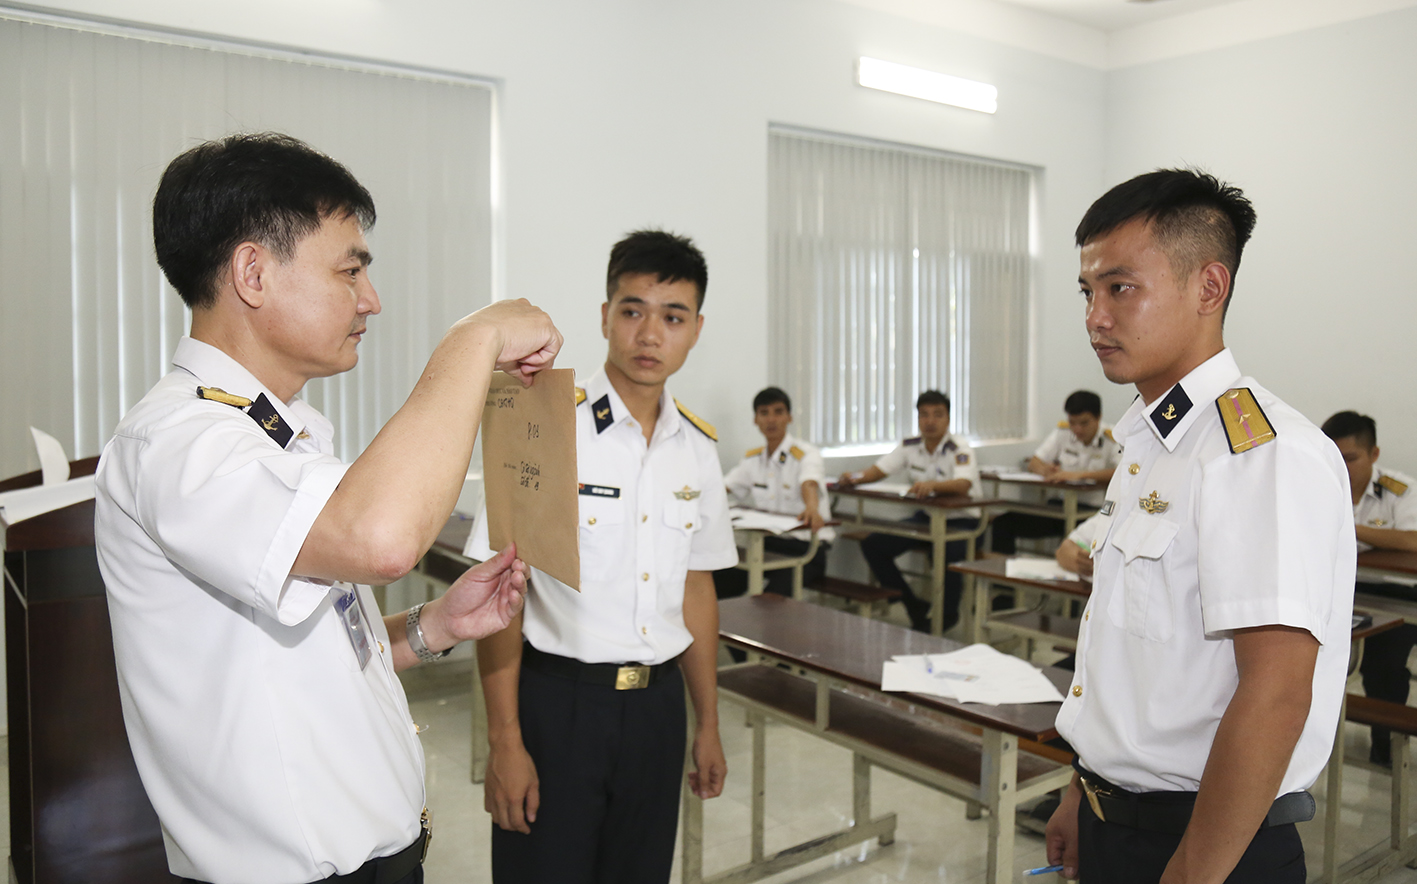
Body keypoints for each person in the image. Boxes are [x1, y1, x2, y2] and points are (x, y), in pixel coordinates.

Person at [93, 133, 563, 884]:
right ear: (253, 273)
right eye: (350, 271)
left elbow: (305, 652)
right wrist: (473, 342)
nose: (370, 299)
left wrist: (434, 627)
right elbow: (383, 542)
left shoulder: (283, 430)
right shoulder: (177, 442)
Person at [1044, 169, 1354, 883]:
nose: (1095, 317)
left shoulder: (1260, 453)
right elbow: (1125, 661)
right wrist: (1082, 794)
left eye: (1120, 288)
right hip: (1116, 824)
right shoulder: (1150, 444)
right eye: (1087, 292)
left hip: (1209, 848)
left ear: (1208, 287)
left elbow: (1275, 693)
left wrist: (1193, 873)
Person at [469, 230, 737, 884]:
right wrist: (504, 739)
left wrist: (707, 721)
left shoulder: (697, 449)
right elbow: (500, 592)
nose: (650, 334)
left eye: (673, 317)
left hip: (657, 711)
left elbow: (696, 588)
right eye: (632, 310)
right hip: (560, 707)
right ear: (604, 316)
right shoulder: (542, 426)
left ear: (696, 330)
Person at [835, 390, 979, 632]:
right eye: (924, 415)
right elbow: (879, 470)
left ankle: (948, 615)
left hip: (962, 522)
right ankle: (913, 605)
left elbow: (963, 484)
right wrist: (855, 477)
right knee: (874, 544)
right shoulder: (910, 446)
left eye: (937, 415)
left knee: (948, 553)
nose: (930, 421)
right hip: (927, 518)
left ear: (948, 419)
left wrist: (933, 486)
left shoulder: (959, 448)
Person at [1321, 410, 1417, 765]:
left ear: (1373, 454)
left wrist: (1347, 526)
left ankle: (1386, 746)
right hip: (1339, 589)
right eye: (1334, 456)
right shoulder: (1318, 482)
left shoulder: (1398, 489)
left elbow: (1412, 540)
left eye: (1350, 458)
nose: (1342, 467)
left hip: (1396, 595)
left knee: (1384, 667)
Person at [713, 386, 832, 599]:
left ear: (789, 417)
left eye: (778, 412)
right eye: (764, 413)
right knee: (717, 581)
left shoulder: (806, 454)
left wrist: (812, 508)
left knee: (769, 602)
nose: (771, 420)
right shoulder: (753, 459)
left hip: (806, 549)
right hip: (767, 546)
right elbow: (722, 488)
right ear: (755, 419)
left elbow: (809, 482)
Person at [991, 390, 1121, 554]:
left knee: (1077, 544)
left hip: (1091, 512)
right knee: (1003, 524)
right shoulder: (1063, 432)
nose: (1077, 429)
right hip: (1060, 507)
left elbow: (1122, 472)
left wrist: (1079, 475)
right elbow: (1034, 462)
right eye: (1072, 423)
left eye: (1084, 423)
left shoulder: (1114, 437)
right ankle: (1003, 572)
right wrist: (1046, 471)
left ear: (1098, 417)